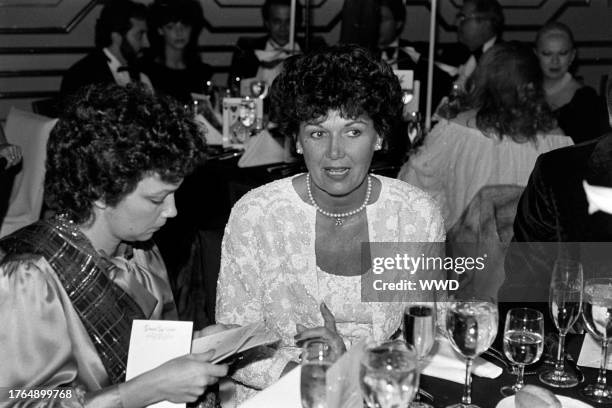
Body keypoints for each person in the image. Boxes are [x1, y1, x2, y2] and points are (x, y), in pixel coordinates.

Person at [216, 45, 445, 403]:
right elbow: (233, 346)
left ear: (379, 136)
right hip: (278, 395)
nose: (335, 151)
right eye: (318, 132)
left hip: (376, 389)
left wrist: (356, 372)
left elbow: (425, 335)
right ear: (297, 141)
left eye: (353, 131)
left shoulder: (413, 215)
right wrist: (321, 376)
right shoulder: (257, 215)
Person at [0, 84, 228, 407]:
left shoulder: (141, 250)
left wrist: (193, 347)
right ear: (100, 192)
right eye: (156, 198)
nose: (172, 211)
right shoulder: (28, 278)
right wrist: (145, 390)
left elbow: (150, 355)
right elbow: (18, 399)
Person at [398, 42, 573, 231]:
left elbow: (415, 187)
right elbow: (565, 208)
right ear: (533, 82)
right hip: (529, 255)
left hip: (466, 253)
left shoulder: (456, 130)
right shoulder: (556, 138)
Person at [60, 0, 152, 102]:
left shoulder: (142, 75)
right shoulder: (81, 75)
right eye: (140, 35)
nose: (146, 44)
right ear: (116, 36)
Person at [535, 22, 609, 144]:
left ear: (572, 55)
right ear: (536, 54)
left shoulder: (586, 100)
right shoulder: (523, 91)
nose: (555, 61)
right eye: (547, 54)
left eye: (562, 53)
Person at [227, 0, 325, 89]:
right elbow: (234, 87)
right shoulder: (246, 50)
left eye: (289, 21)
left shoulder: (313, 50)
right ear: (267, 23)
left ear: (297, 22)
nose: (283, 28)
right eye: (277, 21)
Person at [143, 0, 213, 104]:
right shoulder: (147, 71)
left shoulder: (202, 72)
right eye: (171, 27)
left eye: (185, 26)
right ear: (160, 29)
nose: (179, 33)